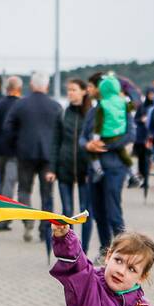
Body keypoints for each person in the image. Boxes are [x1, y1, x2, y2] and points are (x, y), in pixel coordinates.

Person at [5, 72, 61, 243]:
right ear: (46, 86)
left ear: (31, 85)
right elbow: (61, 134)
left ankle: (28, 221)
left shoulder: (20, 104)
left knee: (24, 190)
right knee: (47, 194)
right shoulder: (56, 106)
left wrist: (16, 143)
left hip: (25, 154)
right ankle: (44, 230)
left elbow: (7, 127)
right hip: (48, 156)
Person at [82, 73, 135, 255]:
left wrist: (107, 145)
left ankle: (123, 252)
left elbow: (131, 135)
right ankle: (105, 250)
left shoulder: (124, 109)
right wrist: (88, 144)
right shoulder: (94, 111)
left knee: (114, 211)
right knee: (98, 213)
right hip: (94, 169)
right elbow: (82, 137)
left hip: (115, 167)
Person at [52, 78, 93, 252]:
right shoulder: (62, 113)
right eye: (68, 90)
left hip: (85, 170)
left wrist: (93, 167)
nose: (70, 93)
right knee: (67, 211)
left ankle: (84, 250)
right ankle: (71, 249)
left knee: (85, 213)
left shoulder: (91, 114)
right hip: (64, 167)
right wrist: (52, 168)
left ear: (84, 91)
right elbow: (55, 142)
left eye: (74, 89)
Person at [0, 75, 22, 231]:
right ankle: (4, 219)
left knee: (1, 183)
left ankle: (1, 218)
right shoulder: (21, 106)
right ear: (19, 89)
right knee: (9, 184)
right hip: (15, 151)